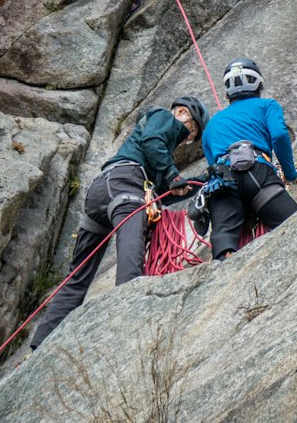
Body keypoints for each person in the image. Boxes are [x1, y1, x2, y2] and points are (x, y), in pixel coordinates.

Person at [30, 95, 208, 347]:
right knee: (131, 263)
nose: (186, 139)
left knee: (78, 276)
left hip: (104, 192)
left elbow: (160, 197)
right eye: (190, 131)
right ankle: (127, 327)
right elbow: (153, 141)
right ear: (181, 112)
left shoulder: (152, 153)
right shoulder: (162, 118)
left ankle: (40, 343)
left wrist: (200, 181)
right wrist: (171, 172)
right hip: (125, 185)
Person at [199, 58, 297, 260]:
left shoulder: (211, 126)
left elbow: (212, 165)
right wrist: (290, 174)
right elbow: (280, 135)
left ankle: (224, 263)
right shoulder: (266, 106)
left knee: (223, 239)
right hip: (258, 175)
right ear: (259, 84)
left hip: (222, 182)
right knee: (296, 225)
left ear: (228, 92)